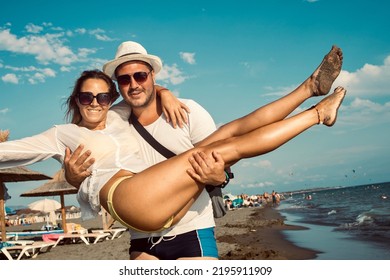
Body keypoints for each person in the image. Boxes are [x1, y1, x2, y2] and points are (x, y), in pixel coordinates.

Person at [1, 43, 345, 258]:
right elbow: (14, 151)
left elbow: (145, 89)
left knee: (230, 134)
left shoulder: (123, 116)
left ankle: (309, 89)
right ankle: (317, 114)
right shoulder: (63, 133)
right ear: (75, 100)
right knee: (230, 145)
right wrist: (74, 178)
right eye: (86, 97)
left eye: (103, 96)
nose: (95, 102)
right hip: (133, 205)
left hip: (181, 219)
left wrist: (165, 93)